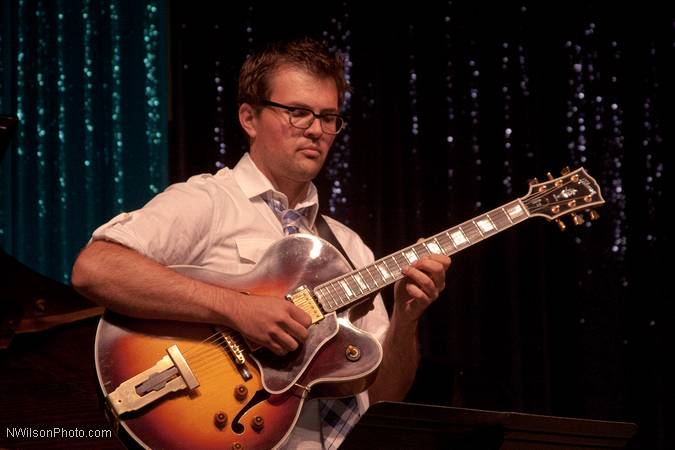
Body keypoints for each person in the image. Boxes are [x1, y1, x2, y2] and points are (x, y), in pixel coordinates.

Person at [71, 37, 450, 449]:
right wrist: (238, 309)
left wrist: (406, 319)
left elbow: (380, 399)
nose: (317, 130)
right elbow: (96, 268)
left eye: (329, 117)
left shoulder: (348, 247)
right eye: (298, 112)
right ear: (249, 118)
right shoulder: (209, 201)